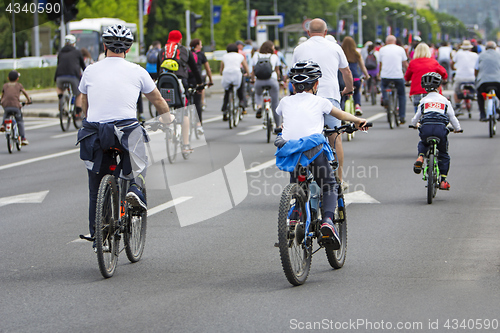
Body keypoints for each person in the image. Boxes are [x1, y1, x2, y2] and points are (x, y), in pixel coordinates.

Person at [77, 24, 174, 243]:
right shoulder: (137, 71)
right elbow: (158, 99)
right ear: (127, 49)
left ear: (104, 46)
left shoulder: (91, 70)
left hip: (95, 132)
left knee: (95, 186)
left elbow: (84, 99)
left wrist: (88, 119)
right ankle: (134, 188)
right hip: (126, 129)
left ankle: (97, 234)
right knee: (140, 159)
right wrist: (167, 119)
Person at [275, 60, 367, 248]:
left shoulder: (285, 101)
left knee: (298, 184)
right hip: (313, 149)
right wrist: (358, 121)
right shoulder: (320, 101)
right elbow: (340, 115)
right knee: (329, 184)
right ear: (316, 84)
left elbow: (286, 120)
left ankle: (295, 216)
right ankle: (327, 221)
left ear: (293, 85)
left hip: (290, 149)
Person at [292, 18, 353, 185]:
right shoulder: (335, 47)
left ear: (308, 32)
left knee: (303, 135)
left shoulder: (299, 49)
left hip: (306, 97)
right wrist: (349, 88)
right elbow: (346, 71)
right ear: (326, 32)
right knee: (335, 137)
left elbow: (292, 75)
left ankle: (302, 178)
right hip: (331, 96)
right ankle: (339, 178)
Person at [411, 72, 461, 190]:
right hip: (440, 128)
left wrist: (414, 125)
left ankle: (421, 156)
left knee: (423, 142)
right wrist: (457, 128)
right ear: (439, 86)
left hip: (426, 127)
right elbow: (452, 117)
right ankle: (443, 180)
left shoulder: (424, 101)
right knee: (443, 153)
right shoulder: (444, 100)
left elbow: (416, 118)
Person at [157, 30, 203, 154]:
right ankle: (186, 145)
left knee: (164, 106)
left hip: (163, 82)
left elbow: (158, 70)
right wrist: (199, 84)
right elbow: (194, 69)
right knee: (184, 111)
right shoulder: (185, 51)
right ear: (180, 39)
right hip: (180, 83)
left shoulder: (161, 51)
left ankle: (166, 125)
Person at [404, 43, 448, 113]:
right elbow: (443, 73)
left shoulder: (413, 63)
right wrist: (445, 79)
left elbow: (407, 76)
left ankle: (418, 122)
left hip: (417, 91)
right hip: (432, 92)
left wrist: (407, 82)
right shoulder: (433, 62)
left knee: (418, 111)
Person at [378, 35, 408, 124]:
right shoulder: (400, 49)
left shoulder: (382, 50)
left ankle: (386, 98)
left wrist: (379, 74)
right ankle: (402, 116)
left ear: (386, 41)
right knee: (402, 95)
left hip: (385, 75)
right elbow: (405, 64)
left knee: (383, 86)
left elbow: (380, 64)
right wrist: (407, 74)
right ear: (395, 41)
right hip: (398, 75)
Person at [54, 34, 86, 117]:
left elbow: (58, 65)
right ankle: (78, 111)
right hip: (73, 76)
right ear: (74, 43)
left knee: (59, 88)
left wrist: (55, 78)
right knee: (78, 93)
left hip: (60, 76)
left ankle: (61, 98)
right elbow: (83, 66)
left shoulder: (60, 52)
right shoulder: (77, 52)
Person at [252, 40, 281, 128]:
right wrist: (279, 79)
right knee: (275, 103)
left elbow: (253, 70)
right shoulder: (274, 56)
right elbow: (277, 71)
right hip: (271, 80)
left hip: (259, 81)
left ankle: (259, 106)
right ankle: (278, 126)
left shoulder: (256, 55)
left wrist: (252, 79)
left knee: (258, 93)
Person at [188, 39, 213, 135]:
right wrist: (210, 80)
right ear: (197, 45)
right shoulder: (201, 54)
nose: (201, 46)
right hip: (196, 79)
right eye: (201, 44)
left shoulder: (187, 53)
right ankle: (199, 125)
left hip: (188, 78)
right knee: (197, 102)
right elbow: (207, 69)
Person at [220, 43, 250, 120]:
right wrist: (248, 74)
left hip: (226, 74)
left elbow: (222, 68)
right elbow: (245, 66)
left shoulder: (224, 56)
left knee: (227, 92)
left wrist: (221, 73)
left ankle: (224, 108)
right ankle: (242, 103)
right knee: (240, 89)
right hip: (237, 74)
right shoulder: (240, 56)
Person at [0, 70, 31, 145]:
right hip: (16, 106)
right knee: (19, 121)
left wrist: (1, 101)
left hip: (6, 105)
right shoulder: (19, 85)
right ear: (17, 79)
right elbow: (25, 93)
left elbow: (2, 95)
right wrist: (29, 100)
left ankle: (3, 125)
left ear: (8, 78)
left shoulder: (5, 85)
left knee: (6, 114)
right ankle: (23, 138)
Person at [341, 36, 369, 116]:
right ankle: (357, 106)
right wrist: (366, 76)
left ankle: (342, 109)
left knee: (343, 94)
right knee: (356, 91)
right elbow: (362, 67)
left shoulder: (341, 54)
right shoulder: (356, 54)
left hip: (344, 79)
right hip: (356, 78)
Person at [474, 41, 500, 121]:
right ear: (495, 48)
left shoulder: (480, 56)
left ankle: (482, 114)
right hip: (498, 82)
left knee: (480, 96)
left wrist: (477, 77)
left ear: (485, 48)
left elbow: (476, 70)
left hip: (484, 82)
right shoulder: (499, 55)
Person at [451, 40, 478, 111]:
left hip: (460, 77)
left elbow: (452, 63)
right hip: (471, 77)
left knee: (456, 90)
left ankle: (457, 105)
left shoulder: (458, 53)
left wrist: (454, 68)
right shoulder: (475, 55)